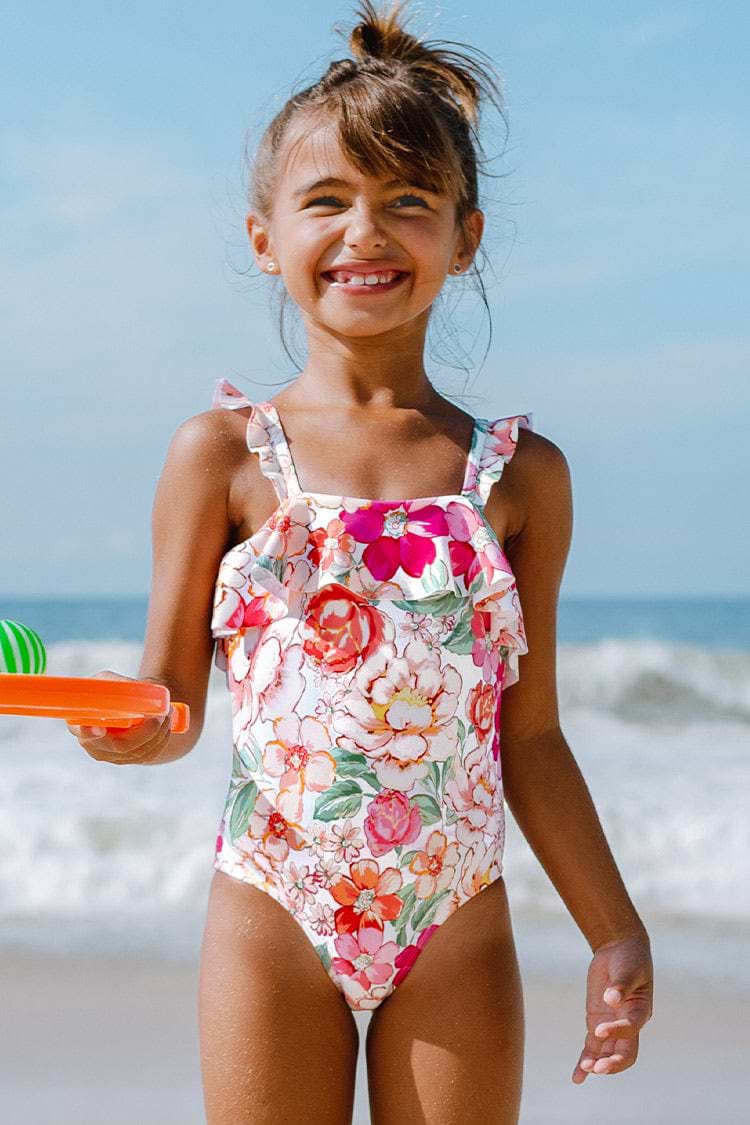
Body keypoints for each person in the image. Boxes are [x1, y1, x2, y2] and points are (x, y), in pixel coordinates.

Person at [67, 2, 653, 1121]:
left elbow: (530, 738)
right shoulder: (223, 456)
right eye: (327, 200)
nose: (366, 232)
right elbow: (170, 701)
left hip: (456, 917)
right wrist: (128, 732)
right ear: (264, 237)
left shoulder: (519, 478)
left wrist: (614, 929)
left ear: (465, 238)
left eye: (409, 202)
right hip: (273, 908)